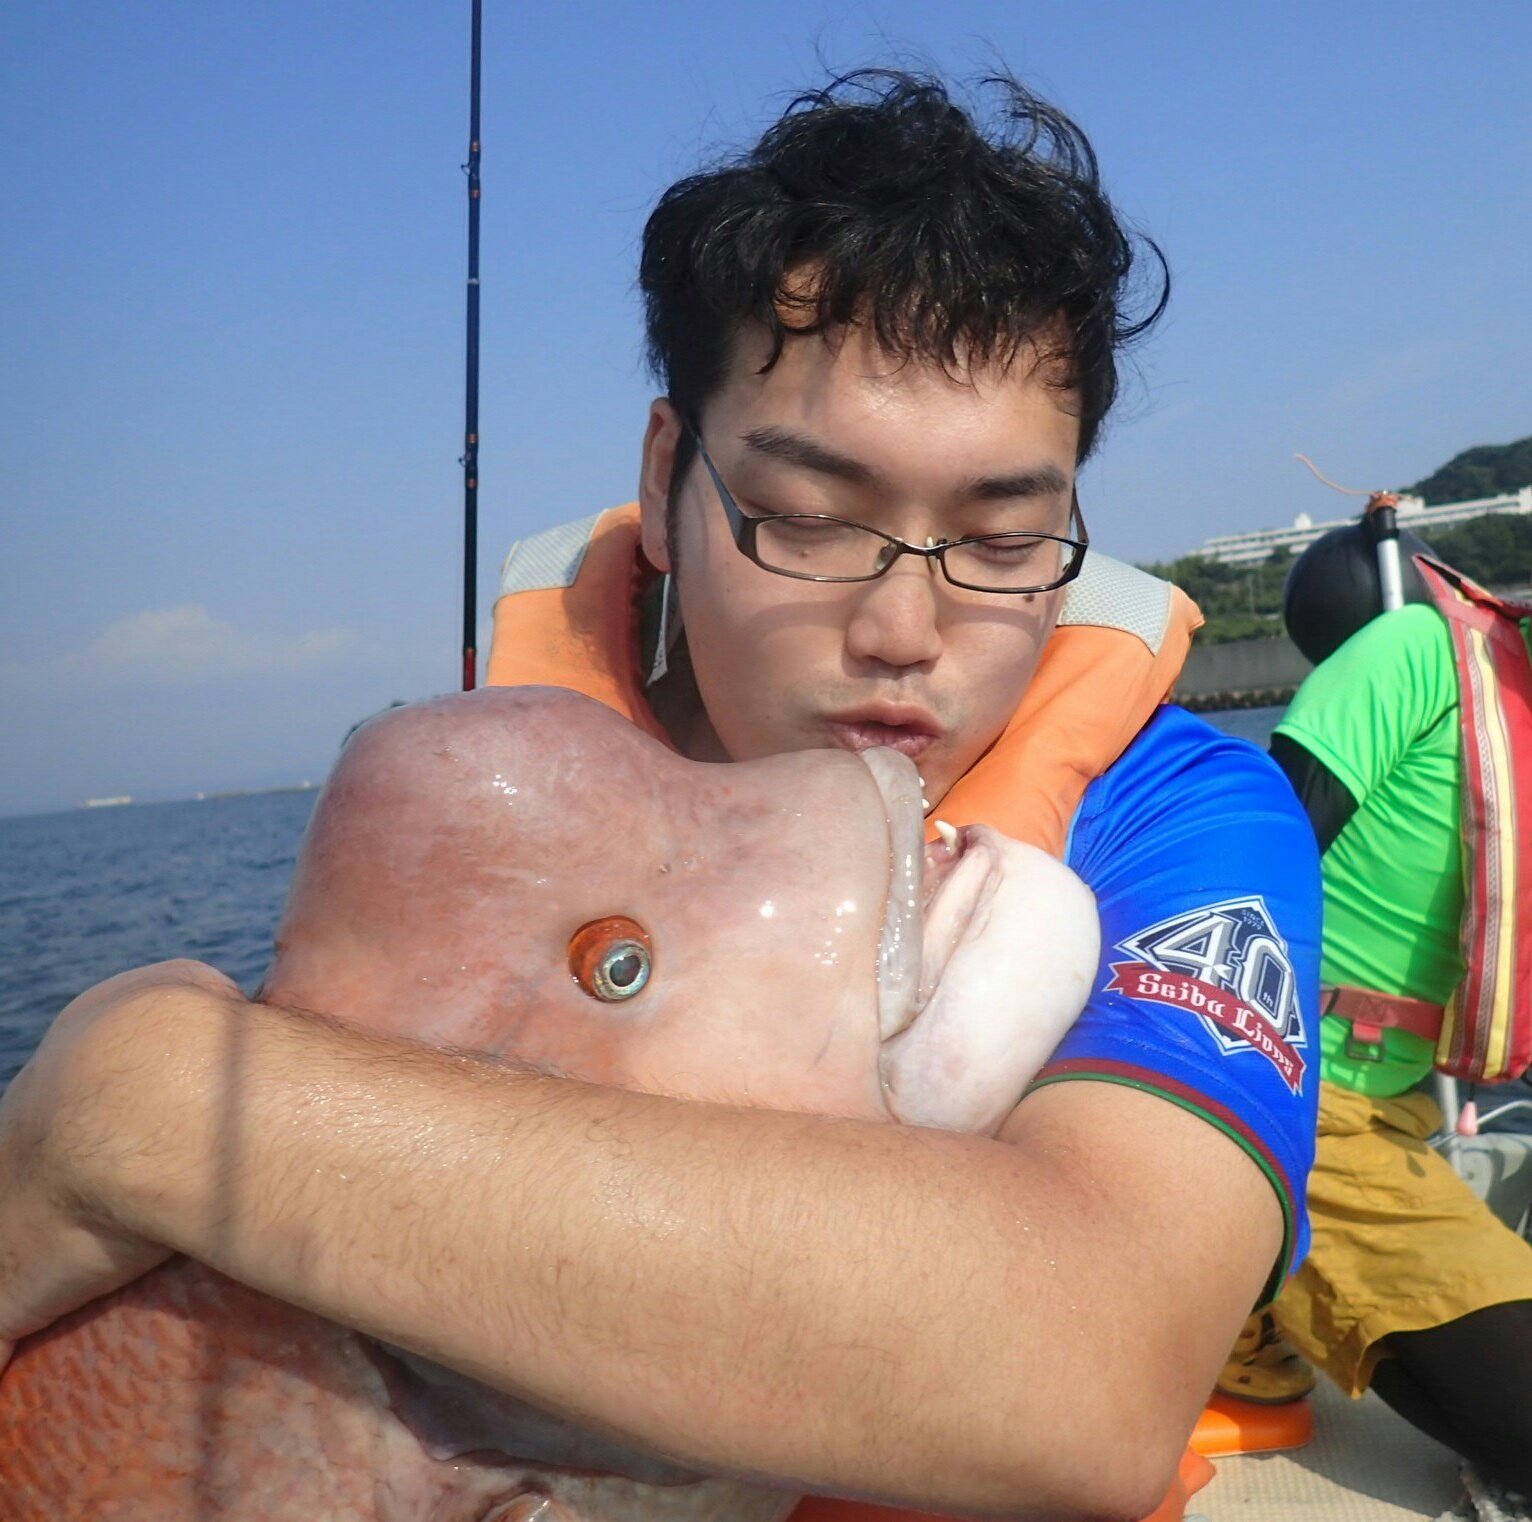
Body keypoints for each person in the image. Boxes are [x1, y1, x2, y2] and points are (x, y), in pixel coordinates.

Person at [0, 71, 1321, 1521]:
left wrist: (156, 1113)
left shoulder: (1181, 816)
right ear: (664, 476)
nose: (901, 627)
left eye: (1006, 539)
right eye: (810, 515)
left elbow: (1094, 1375)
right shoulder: (493, 801)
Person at [1266, 550, 1532, 1495]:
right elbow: (1256, 866)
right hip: (1301, 1103)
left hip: (1402, 1115)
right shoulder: (1418, 653)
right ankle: (1238, 1285)